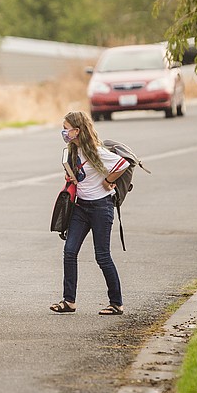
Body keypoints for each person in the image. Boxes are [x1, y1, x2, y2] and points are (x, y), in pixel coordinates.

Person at [50, 110, 129, 315]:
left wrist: (109, 180)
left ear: (77, 130)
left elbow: (123, 164)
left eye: (66, 129)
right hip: (81, 207)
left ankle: (116, 303)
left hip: (100, 208)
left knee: (102, 256)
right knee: (70, 251)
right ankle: (69, 301)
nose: (64, 133)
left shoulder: (96, 151)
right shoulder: (73, 151)